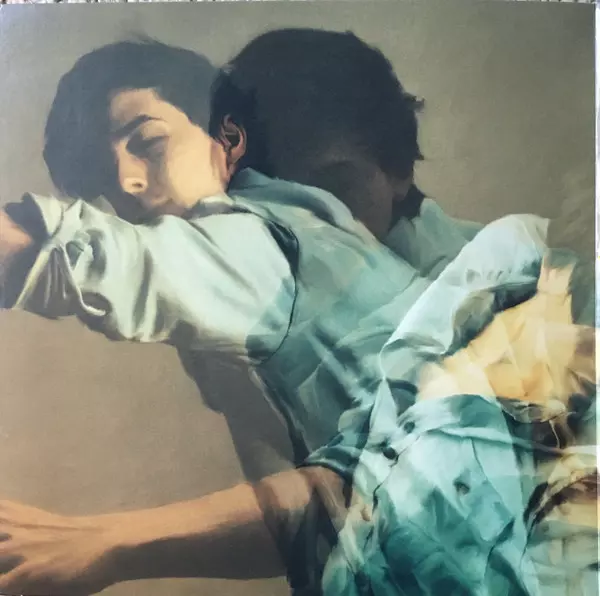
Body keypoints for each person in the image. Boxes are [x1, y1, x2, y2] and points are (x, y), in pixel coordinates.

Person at [0, 34, 594, 596]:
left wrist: (107, 541)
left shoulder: (271, 242)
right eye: (102, 176)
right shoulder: (246, 278)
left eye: (331, 184)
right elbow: (323, 517)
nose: (128, 183)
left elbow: (98, 260)